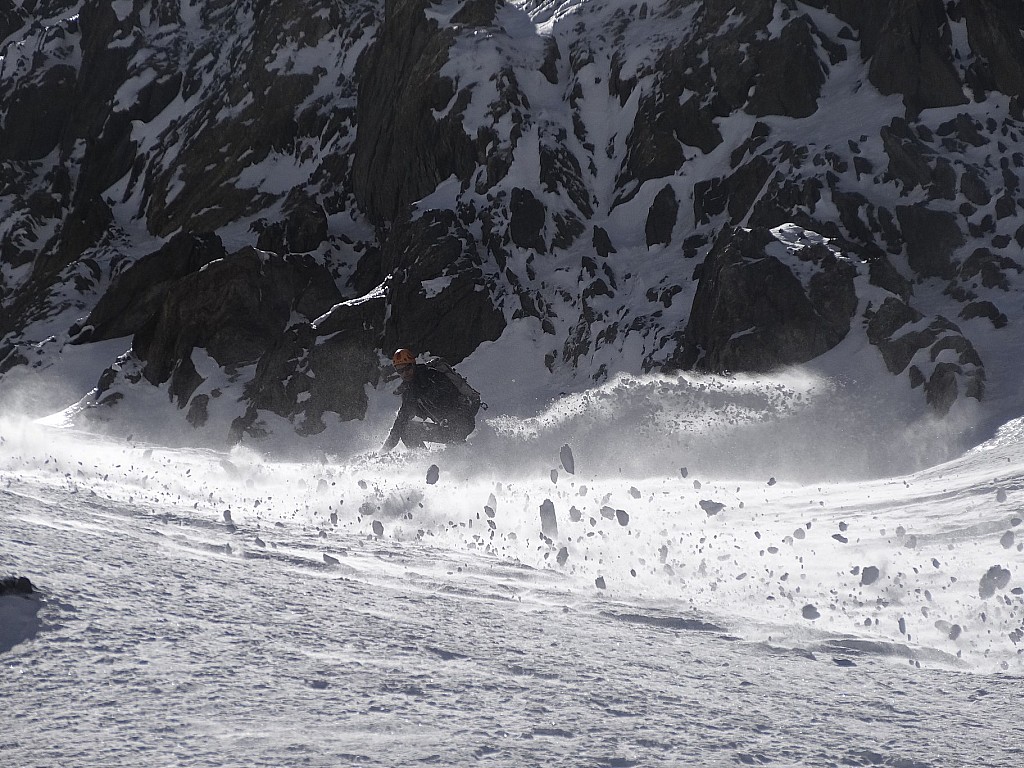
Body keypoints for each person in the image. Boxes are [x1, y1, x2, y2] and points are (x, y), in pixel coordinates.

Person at [380, 348, 478, 452]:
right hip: (446, 427)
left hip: (462, 423)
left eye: (407, 368)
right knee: (406, 429)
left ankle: (459, 452)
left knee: (407, 429)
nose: (405, 373)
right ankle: (423, 461)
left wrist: (451, 419)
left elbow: (452, 397)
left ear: (413, 364)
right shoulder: (410, 391)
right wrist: (383, 451)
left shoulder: (432, 376)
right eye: (400, 370)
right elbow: (400, 423)